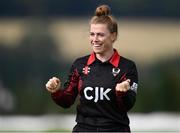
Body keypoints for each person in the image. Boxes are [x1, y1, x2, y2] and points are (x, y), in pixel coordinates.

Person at [46, 4, 138, 132]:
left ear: (113, 36)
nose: (95, 39)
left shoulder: (127, 67)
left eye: (100, 35)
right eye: (92, 34)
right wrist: (56, 91)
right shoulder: (80, 65)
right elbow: (67, 101)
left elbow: (128, 105)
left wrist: (121, 93)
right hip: (84, 129)